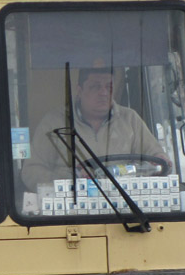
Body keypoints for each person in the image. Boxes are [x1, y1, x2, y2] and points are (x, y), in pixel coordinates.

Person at [21, 65, 167, 189]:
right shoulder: (54, 123)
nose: (103, 93)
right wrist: (72, 179)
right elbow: (31, 172)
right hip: (73, 212)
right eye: (95, 87)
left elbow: (159, 160)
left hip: (126, 209)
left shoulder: (130, 119)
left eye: (108, 87)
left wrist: (160, 160)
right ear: (79, 90)